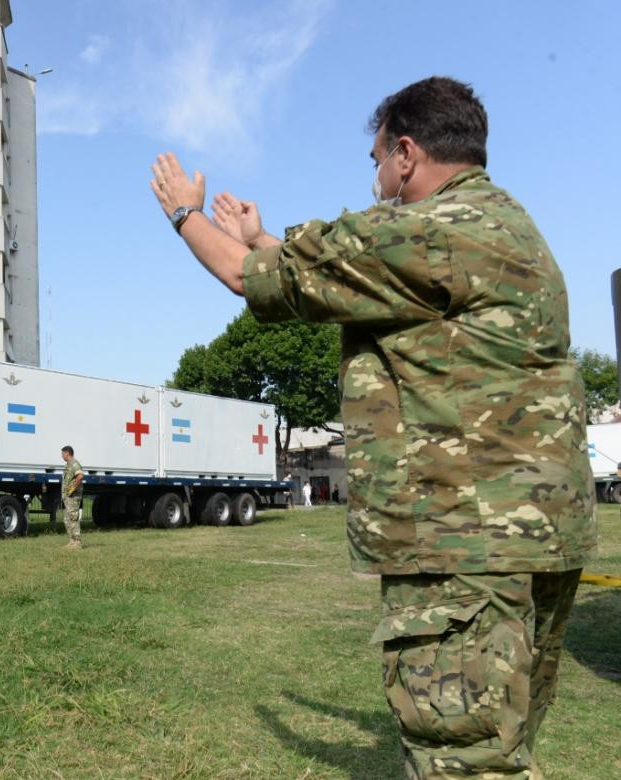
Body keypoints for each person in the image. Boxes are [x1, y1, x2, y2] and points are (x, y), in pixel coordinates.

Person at [152, 76, 597, 779]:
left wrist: (186, 215)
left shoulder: (421, 231)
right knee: (501, 743)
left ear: (408, 153)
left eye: (377, 158)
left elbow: (247, 278)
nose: (377, 174)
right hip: (540, 535)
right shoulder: (508, 228)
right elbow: (370, 278)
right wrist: (267, 237)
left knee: (466, 759)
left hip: (463, 545)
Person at [60, 445, 85, 549]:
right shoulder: (68, 465)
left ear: (67, 453)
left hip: (73, 497)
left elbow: (80, 476)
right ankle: (72, 541)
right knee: (67, 519)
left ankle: (77, 542)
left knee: (73, 518)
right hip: (68, 498)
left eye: (62, 453)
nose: (61, 456)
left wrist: (72, 488)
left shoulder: (74, 463)